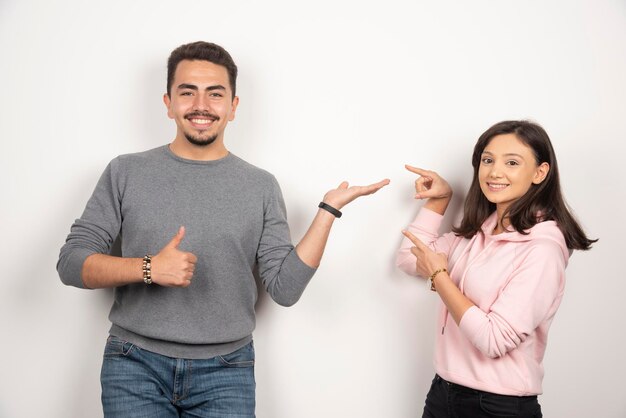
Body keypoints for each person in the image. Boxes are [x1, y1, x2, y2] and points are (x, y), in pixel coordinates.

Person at [57, 41, 389, 417]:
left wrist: (328, 211)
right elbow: (71, 263)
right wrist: (148, 268)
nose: (201, 105)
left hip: (226, 370)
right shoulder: (125, 171)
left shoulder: (261, 186)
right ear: (168, 102)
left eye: (215, 94)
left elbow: (285, 289)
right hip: (134, 364)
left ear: (233, 106)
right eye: (187, 92)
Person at [396, 120, 595, 418]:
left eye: (512, 162)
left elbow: (494, 340)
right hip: (443, 393)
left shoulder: (543, 249)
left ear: (540, 172)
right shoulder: (479, 232)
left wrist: (440, 277)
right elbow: (410, 260)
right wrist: (440, 200)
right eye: (487, 160)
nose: (494, 172)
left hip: (498, 405)